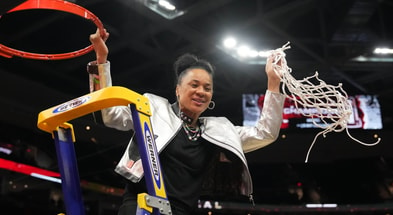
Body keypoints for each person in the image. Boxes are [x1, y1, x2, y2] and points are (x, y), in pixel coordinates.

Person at [87, 28, 285, 215]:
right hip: (141, 206)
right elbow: (107, 113)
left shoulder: (219, 130)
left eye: (207, 88)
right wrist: (101, 60)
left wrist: (273, 82)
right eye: (194, 85)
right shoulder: (152, 107)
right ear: (178, 90)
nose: (201, 91)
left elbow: (265, 132)